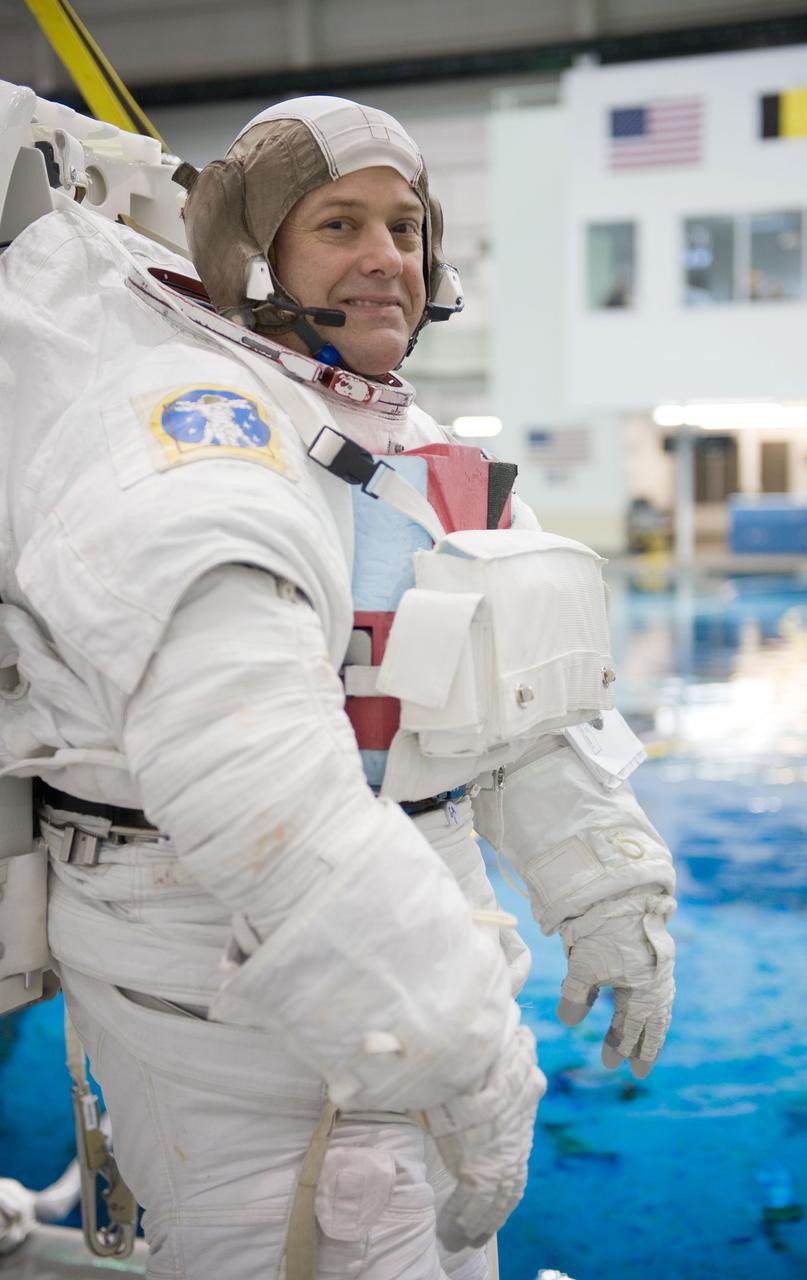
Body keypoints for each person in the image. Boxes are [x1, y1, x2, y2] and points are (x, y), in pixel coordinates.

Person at [0, 95, 676, 1278]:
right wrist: (458, 1043)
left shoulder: (404, 443)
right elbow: (255, 787)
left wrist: (610, 888)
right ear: (252, 257)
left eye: (405, 227)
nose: (385, 259)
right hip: (244, 996)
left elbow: (517, 705)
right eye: (338, 225)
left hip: (410, 946)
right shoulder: (184, 430)